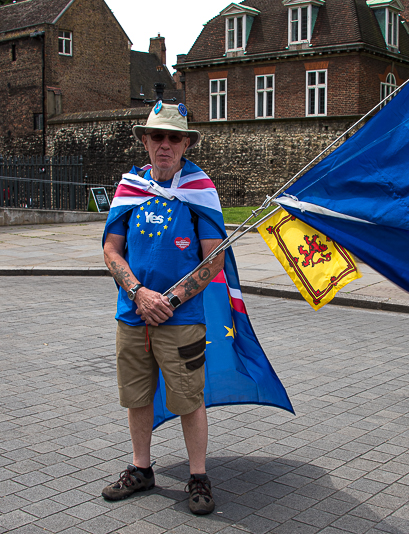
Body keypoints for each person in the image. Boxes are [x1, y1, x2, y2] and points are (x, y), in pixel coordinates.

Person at [101, 103, 223, 515]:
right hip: (133, 314)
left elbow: (214, 260)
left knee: (189, 398)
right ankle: (141, 468)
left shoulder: (200, 190)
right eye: (158, 137)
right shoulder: (129, 188)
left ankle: (198, 475)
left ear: (186, 143)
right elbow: (111, 249)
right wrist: (139, 294)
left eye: (174, 137)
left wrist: (167, 300)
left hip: (181, 318)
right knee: (136, 396)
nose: (165, 145)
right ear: (145, 141)